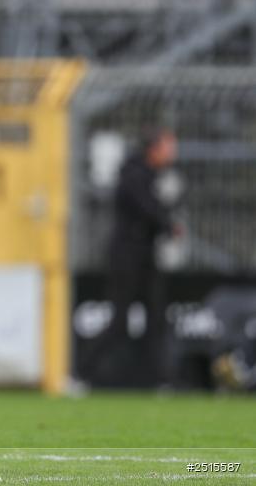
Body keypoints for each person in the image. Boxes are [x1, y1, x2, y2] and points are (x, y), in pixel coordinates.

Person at [79, 128, 179, 386]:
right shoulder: (134, 175)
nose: (173, 152)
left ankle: (160, 380)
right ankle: (82, 373)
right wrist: (168, 225)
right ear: (154, 149)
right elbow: (147, 209)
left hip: (147, 257)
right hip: (126, 257)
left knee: (157, 318)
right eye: (168, 146)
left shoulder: (155, 176)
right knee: (120, 321)